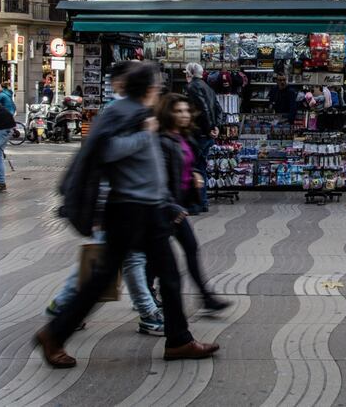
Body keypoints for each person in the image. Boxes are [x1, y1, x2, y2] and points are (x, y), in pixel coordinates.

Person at [35, 62, 219, 368]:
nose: (160, 90)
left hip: (150, 209)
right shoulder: (124, 113)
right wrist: (144, 135)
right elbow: (105, 151)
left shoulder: (139, 113)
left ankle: (179, 340)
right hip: (129, 209)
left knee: (170, 277)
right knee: (101, 279)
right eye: (158, 85)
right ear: (149, 89)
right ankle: (54, 334)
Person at [46, 60, 166, 337]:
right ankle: (147, 314)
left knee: (117, 262)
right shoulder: (119, 112)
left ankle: (65, 310)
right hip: (116, 203)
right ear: (121, 83)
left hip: (131, 204)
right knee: (118, 263)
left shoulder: (130, 111)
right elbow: (104, 155)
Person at [156, 93, 230, 314]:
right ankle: (150, 299)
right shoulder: (162, 141)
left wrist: (196, 174)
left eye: (186, 110)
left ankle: (206, 297)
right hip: (166, 209)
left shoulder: (182, 137)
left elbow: (188, 165)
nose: (184, 115)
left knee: (188, 248)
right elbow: (159, 178)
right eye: (178, 111)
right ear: (168, 113)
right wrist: (171, 205)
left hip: (177, 207)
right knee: (156, 260)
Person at [184, 62, 222, 214]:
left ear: (190, 74)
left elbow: (203, 109)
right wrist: (216, 127)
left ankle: (197, 203)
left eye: (186, 73)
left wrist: (209, 129)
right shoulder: (208, 87)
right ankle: (202, 201)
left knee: (194, 168)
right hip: (206, 134)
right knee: (201, 167)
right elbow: (218, 108)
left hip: (199, 133)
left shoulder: (193, 87)